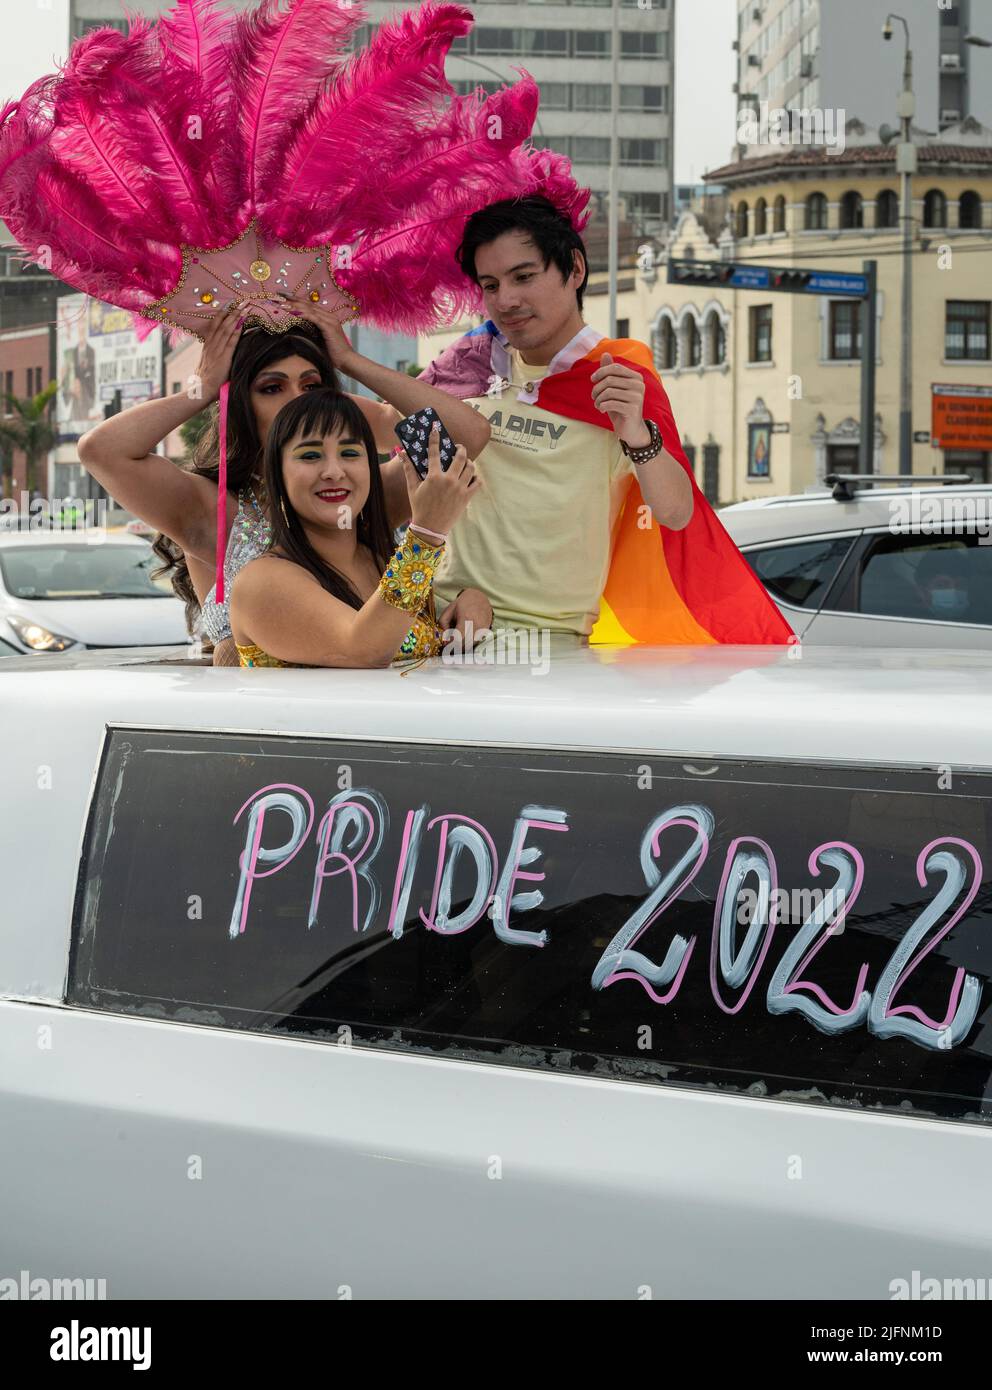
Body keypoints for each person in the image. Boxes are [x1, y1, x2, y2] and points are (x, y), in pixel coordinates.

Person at [300, 196, 791, 647]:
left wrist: (637, 434)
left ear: (574, 269)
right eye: (490, 285)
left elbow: (676, 513)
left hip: (547, 651)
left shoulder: (617, 373)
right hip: (430, 629)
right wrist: (330, 360)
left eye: (523, 277)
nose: (506, 300)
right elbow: (384, 423)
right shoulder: (469, 361)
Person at [77, 306, 490, 664]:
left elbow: (465, 437)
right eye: (272, 388)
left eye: (310, 386)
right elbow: (102, 451)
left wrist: (349, 363)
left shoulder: (361, 497)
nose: (296, 400)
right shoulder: (215, 509)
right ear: (240, 401)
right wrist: (203, 387)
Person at [229, 389, 479, 668]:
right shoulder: (260, 583)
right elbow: (365, 650)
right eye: (310, 456)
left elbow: (414, 653)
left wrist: (470, 604)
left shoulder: (383, 559)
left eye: (350, 453)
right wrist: (427, 533)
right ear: (278, 473)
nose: (334, 471)